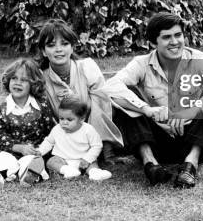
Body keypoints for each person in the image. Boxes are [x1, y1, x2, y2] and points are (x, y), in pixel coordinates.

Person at [104, 12, 203, 188]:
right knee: (125, 96)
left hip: (192, 140)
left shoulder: (199, 59)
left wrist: (190, 111)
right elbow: (110, 86)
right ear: (153, 43)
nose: (175, 42)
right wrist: (146, 109)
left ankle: (189, 166)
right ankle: (151, 165)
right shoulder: (142, 63)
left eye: (178, 35)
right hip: (154, 142)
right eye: (167, 37)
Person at [37, 19, 153, 163]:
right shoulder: (41, 78)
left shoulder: (86, 66)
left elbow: (103, 105)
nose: (59, 49)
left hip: (95, 126)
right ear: (43, 51)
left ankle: (108, 151)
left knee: (103, 97)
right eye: (51, 45)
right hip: (64, 131)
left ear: (72, 47)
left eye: (65, 44)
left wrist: (76, 103)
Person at [0, 58, 55, 188]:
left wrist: (40, 150)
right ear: (8, 80)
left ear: (34, 84)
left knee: (31, 161)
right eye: (14, 78)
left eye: (24, 80)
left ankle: (28, 175)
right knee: (3, 160)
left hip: (31, 151)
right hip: (8, 150)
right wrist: (19, 148)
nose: (18, 83)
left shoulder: (41, 106)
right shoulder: (0, 109)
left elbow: (50, 132)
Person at [37, 97, 112, 181]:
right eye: (61, 118)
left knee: (92, 164)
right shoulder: (57, 129)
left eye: (69, 119)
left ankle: (95, 173)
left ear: (81, 119)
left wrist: (87, 159)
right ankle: (67, 170)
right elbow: (49, 142)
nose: (64, 122)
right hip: (63, 159)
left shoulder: (88, 130)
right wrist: (40, 151)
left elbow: (97, 146)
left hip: (83, 160)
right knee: (51, 162)